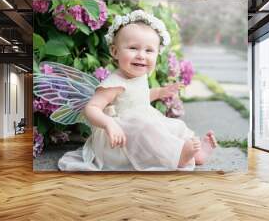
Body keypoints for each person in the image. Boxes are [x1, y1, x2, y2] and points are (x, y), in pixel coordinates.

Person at [58, 10, 217, 171]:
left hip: (141, 121)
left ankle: (197, 155)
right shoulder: (113, 83)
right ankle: (179, 157)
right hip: (121, 133)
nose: (141, 55)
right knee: (148, 130)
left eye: (149, 51)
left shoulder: (139, 76)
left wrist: (160, 92)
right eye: (133, 48)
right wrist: (109, 124)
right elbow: (91, 108)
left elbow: (137, 97)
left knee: (172, 125)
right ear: (115, 51)